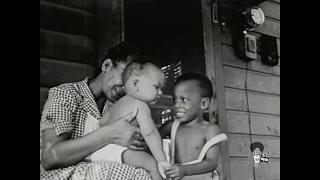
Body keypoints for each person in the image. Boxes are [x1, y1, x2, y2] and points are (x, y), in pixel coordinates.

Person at [40, 42, 153, 180]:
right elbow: (50, 158)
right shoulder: (66, 94)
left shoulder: (118, 106)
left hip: (99, 171)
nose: (126, 88)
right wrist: (110, 133)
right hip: (59, 175)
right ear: (107, 65)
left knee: (143, 174)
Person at [88, 62, 171, 180]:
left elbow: (101, 123)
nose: (160, 93)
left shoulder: (116, 105)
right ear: (136, 84)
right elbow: (150, 133)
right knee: (151, 163)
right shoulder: (140, 105)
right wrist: (162, 160)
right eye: (156, 87)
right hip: (121, 152)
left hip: (102, 152)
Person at [159, 72, 227, 180]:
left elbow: (211, 162)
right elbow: (153, 142)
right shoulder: (171, 126)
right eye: (175, 100)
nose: (176, 105)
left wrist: (184, 170)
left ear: (203, 104)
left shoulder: (210, 130)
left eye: (183, 100)